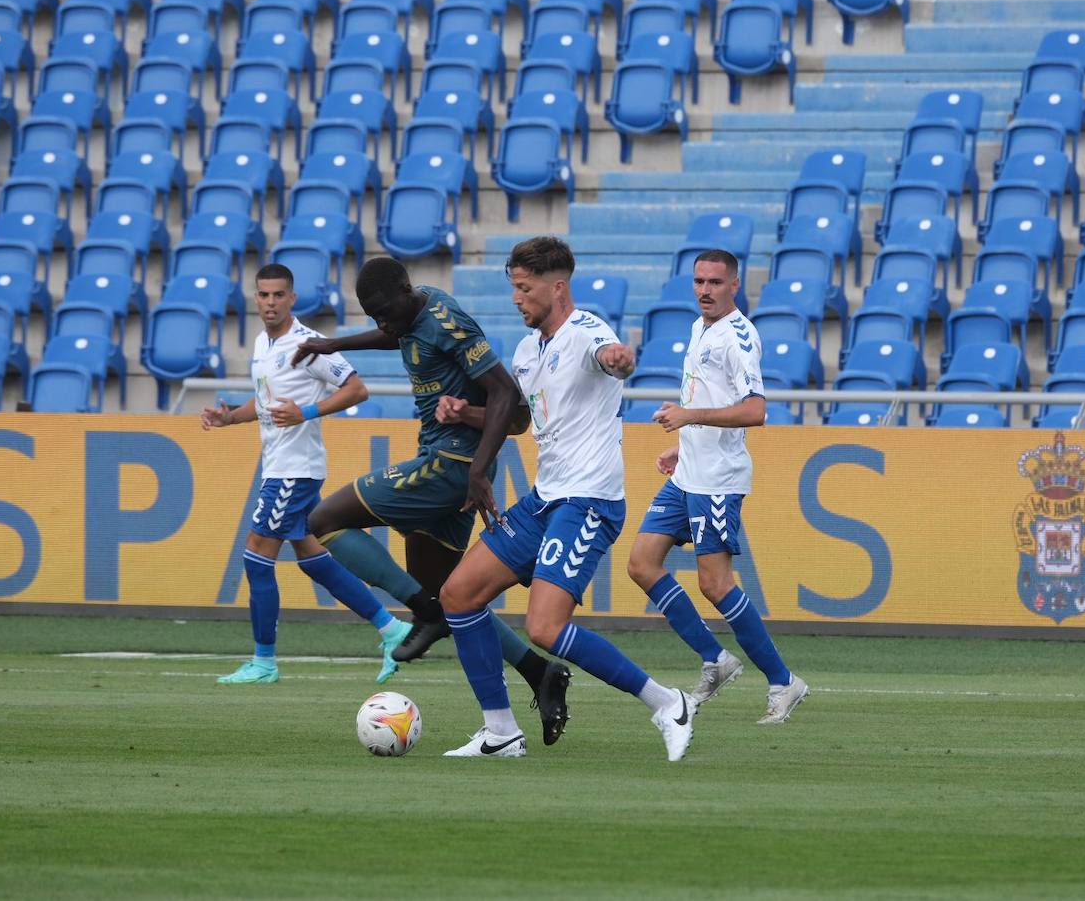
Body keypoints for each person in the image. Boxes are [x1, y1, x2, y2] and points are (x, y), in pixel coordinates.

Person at [290, 257, 573, 744]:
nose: (382, 324)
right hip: (447, 464)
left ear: (405, 292)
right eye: (373, 316)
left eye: (385, 313)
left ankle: (422, 614)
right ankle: (538, 671)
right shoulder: (409, 313)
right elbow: (397, 332)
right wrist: (333, 343)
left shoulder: (447, 322)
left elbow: (508, 397)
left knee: (324, 520)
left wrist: (480, 472)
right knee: (456, 598)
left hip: (451, 466)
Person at [437, 236, 696, 761]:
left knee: (544, 628)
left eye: (524, 288)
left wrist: (619, 358)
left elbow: (610, 359)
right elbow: (522, 421)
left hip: (589, 501)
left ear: (556, 289)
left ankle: (669, 702)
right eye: (514, 287)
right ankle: (501, 731)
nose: (516, 299)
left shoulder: (588, 332)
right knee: (457, 595)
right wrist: (465, 412)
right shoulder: (528, 350)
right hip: (545, 499)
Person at [200, 263, 412, 685]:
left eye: (279, 295)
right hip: (281, 467)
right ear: (256, 299)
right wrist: (230, 418)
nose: (271, 302)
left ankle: (264, 662)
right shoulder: (262, 343)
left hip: (293, 472)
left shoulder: (308, 344)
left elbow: (356, 388)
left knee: (256, 557)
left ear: (292, 298)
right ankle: (393, 629)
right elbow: (264, 403)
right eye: (263, 295)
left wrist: (307, 412)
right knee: (313, 558)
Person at [625, 250, 809, 723]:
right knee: (642, 564)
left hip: (718, 482)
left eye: (715, 282)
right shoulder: (699, 327)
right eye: (699, 281)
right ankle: (716, 659)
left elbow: (755, 410)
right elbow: (710, 397)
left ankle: (783, 681)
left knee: (715, 583)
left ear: (735, 284)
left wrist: (689, 417)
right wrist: (684, 445)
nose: (705, 290)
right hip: (689, 473)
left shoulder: (740, 339)